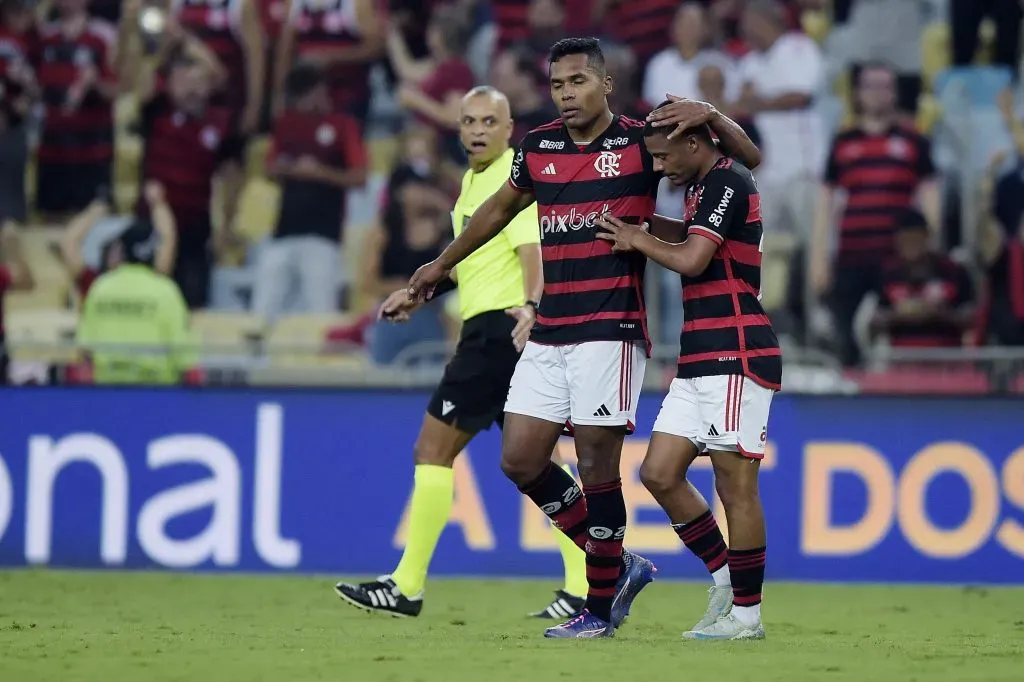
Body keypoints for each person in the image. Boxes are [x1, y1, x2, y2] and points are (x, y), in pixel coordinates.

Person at [408, 37, 761, 639]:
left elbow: (740, 159)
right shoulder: (537, 148)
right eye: (558, 85)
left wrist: (712, 115)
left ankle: (599, 607)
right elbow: (494, 212)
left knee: (597, 464)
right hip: (549, 330)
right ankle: (616, 565)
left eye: (578, 81)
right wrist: (439, 267)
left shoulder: (639, 143)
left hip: (609, 329)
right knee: (519, 459)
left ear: (606, 84)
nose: (567, 94)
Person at [334, 86, 589, 620]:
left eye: (488, 121)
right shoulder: (472, 184)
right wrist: (419, 291)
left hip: (499, 332)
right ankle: (585, 586)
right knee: (542, 463)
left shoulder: (511, 176)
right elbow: (471, 264)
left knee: (432, 450)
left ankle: (406, 586)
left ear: (508, 126)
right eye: (468, 120)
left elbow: (530, 250)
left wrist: (531, 305)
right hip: (499, 331)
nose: (477, 129)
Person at [595, 99, 778, 641]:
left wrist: (638, 238)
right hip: (700, 352)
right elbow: (691, 236)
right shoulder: (704, 185)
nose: (657, 168)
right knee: (658, 472)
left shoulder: (726, 183)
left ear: (694, 142)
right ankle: (725, 576)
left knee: (735, 486)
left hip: (738, 349)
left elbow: (693, 259)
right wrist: (650, 221)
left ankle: (747, 616)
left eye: (662, 155)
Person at [251, 62, 367, 320]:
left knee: (321, 312)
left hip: (323, 235)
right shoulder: (286, 124)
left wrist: (320, 173)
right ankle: (255, 360)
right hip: (283, 232)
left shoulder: (342, 125)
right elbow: (270, 167)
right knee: (263, 310)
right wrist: (292, 170)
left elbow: (360, 177)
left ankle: (323, 361)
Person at [76, 219, 196, 384]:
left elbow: (85, 352)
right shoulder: (166, 291)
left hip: (107, 392)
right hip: (157, 394)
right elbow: (185, 356)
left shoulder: (100, 288)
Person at [870, 209, 975, 350]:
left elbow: (972, 319)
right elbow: (874, 321)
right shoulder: (889, 274)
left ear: (927, 237)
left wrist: (942, 314)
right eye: (905, 241)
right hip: (902, 359)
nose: (911, 247)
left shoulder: (953, 271)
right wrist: (897, 315)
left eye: (915, 240)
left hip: (947, 358)